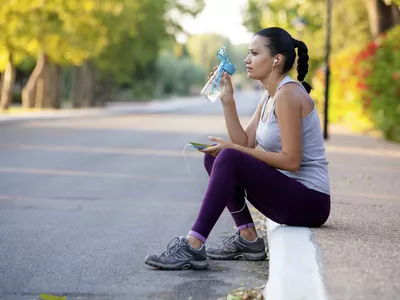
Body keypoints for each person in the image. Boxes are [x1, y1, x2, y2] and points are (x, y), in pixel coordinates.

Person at [144, 27, 331, 270]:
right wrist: (227, 101)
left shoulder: (288, 95)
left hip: (310, 201)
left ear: (277, 60)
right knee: (218, 157)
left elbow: (291, 161)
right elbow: (244, 143)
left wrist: (232, 149)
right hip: (290, 194)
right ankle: (248, 238)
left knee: (229, 155)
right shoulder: (269, 96)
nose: (246, 59)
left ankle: (193, 245)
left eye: (254, 53)